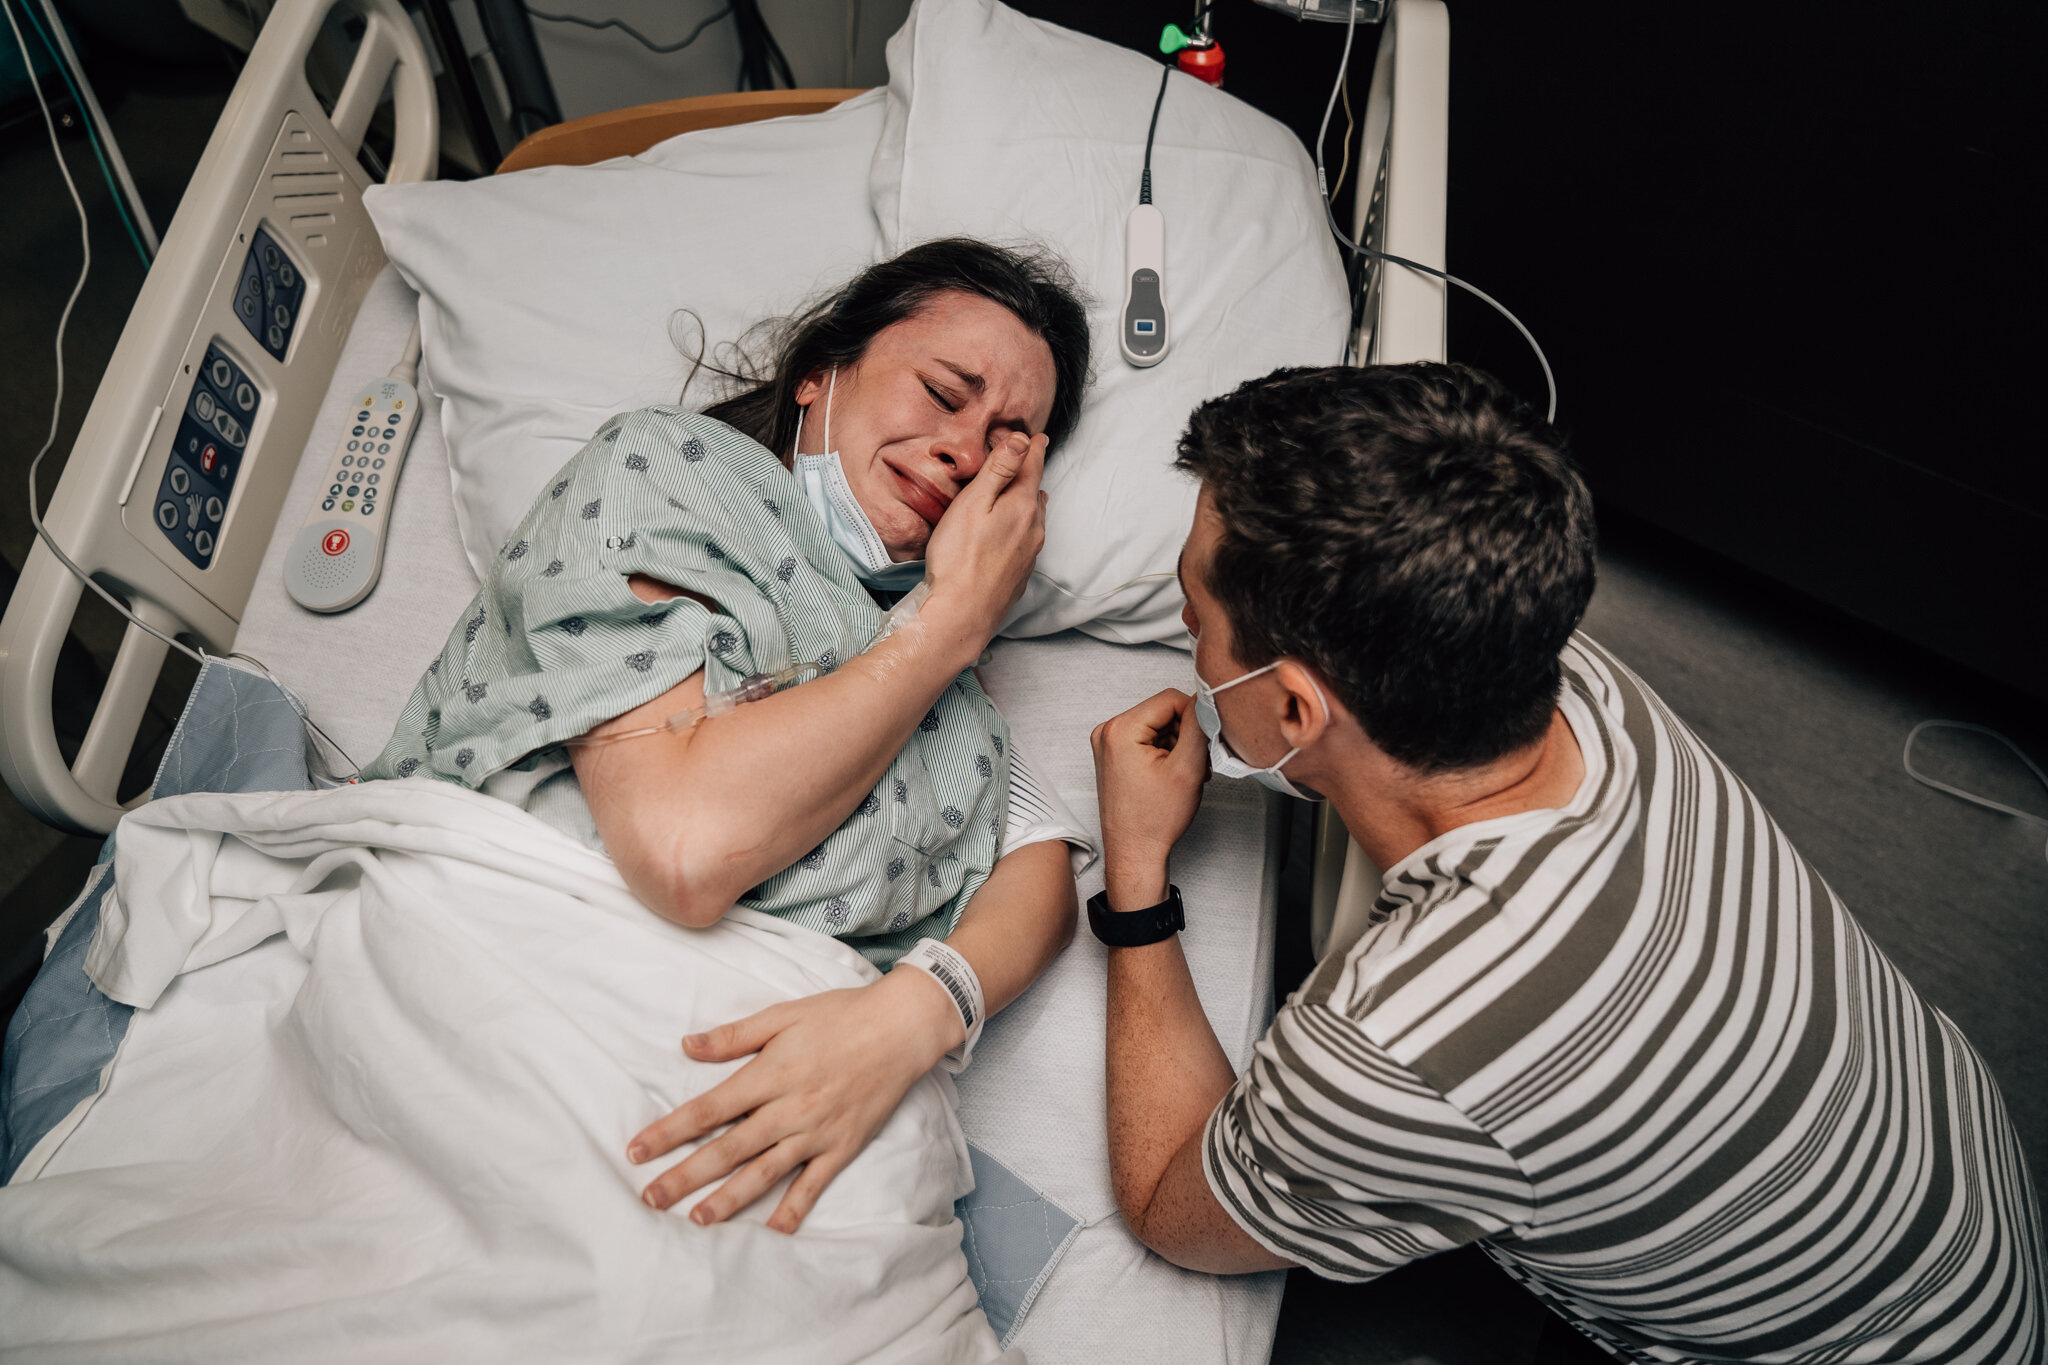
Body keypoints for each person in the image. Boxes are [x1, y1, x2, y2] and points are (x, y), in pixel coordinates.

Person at [1088, 363, 2044, 1362]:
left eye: (1195, 610)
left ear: (1293, 708)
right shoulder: (1575, 677)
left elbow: (1166, 1201)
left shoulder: (1385, 1050)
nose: (1185, 626)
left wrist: (1138, 878)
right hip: (1957, 1207)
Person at [363, 238, 1096, 1234]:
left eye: (1009, 439)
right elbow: (681, 849)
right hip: (506, 991)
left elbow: (1037, 867)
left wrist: (914, 1014)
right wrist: (948, 625)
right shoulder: (668, 475)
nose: (963, 450)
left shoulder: (951, 699)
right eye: (941, 391)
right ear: (817, 376)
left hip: (754, 1097)